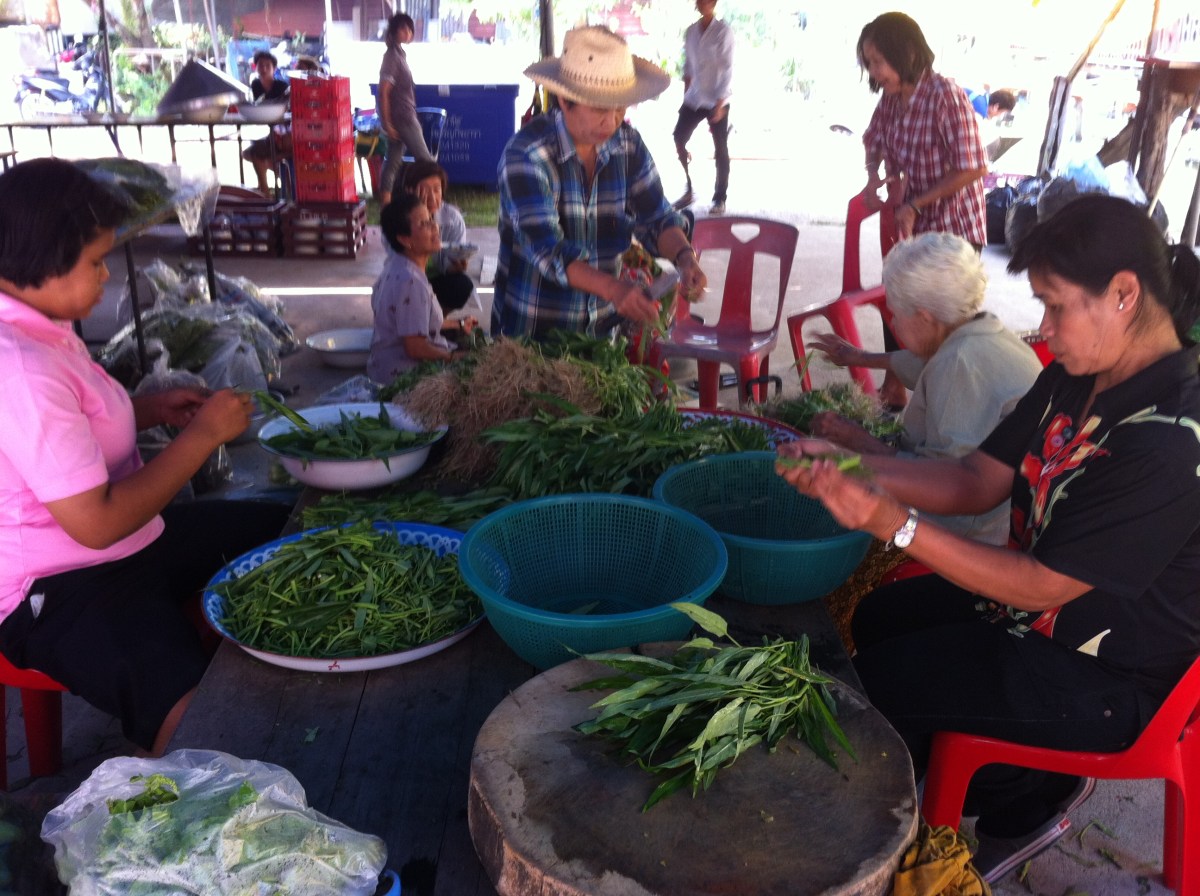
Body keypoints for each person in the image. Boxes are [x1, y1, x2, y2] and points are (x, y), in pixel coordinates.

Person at [776, 194, 1200, 882]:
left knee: (881, 687)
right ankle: (1003, 782)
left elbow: (1040, 585)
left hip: (1108, 674)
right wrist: (851, 466)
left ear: (1124, 295)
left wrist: (893, 523)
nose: (1044, 328)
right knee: (879, 619)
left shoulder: (1169, 441)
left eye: (1055, 306)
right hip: (1038, 617)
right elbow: (976, 479)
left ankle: (1015, 805)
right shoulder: (1076, 376)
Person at [0, 158, 291, 757]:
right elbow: (96, 522)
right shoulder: (20, 366)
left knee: (288, 528)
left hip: (131, 541)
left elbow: (70, 432)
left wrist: (149, 409)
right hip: (58, 585)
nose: (107, 275)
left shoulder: (43, 324)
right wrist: (201, 437)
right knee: (197, 723)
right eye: (95, 262)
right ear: (40, 259)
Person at [807, 232, 1042, 544]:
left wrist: (858, 441)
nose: (892, 322)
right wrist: (858, 357)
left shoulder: (959, 363)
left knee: (832, 508)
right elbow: (927, 365)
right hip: (1004, 507)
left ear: (924, 317)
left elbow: (947, 484)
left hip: (972, 534)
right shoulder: (986, 333)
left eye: (894, 314)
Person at [495, 25, 707, 340]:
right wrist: (614, 289)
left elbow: (657, 217)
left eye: (620, 108)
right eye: (599, 109)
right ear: (565, 100)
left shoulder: (628, 145)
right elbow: (549, 252)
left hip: (602, 336)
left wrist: (685, 258)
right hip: (532, 338)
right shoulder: (526, 156)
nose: (611, 121)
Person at [857, 12, 990, 409]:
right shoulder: (891, 100)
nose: (874, 72)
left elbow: (973, 166)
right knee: (899, 300)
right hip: (915, 227)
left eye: (878, 61)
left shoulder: (945, 95)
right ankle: (895, 386)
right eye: (869, 63)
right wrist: (874, 177)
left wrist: (916, 202)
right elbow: (872, 140)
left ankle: (952, 402)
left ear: (907, 52)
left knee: (946, 323)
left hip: (954, 229)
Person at [368, 193, 478, 384]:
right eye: (424, 224)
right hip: (402, 378)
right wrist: (453, 358)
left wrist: (459, 324)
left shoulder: (398, 266)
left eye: (431, 220)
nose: (435, 227)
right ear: (405, 239)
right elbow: (415, 347)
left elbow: (415, 324)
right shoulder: (411, 282)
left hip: (382, 367)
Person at [402, 160, 485, 323]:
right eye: (424, 190)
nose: (432, 197)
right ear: (409, 191)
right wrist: (418, 214)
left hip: (436, 280)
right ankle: (415, 321)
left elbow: (449, 262)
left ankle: (438, 320)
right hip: (407, 278)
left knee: (461, 285)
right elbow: (399, 260)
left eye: (437, 189)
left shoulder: (453, 218)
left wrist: (455, 267)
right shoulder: (398, 217)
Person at [672, 0, 734, 216]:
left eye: (706, 0)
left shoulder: (723, 32)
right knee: (679, 137)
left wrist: (720, 104)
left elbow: (727, 68)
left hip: (717, 97)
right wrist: (685, 96)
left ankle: (719, 198)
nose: (702, 3)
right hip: (695, 97)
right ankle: (689, 189)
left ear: (714, 3)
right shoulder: (691, 32)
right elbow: (688, 67)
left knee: (720, 148)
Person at [241, 54, 320, 197]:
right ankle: (269, 189)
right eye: (297, 69)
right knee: (250, 153)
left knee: (256, 154)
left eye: (301, 70)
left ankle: (267, 192)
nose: (297, 73)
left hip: (300, 140)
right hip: (281, 135)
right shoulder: (285, 90)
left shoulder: (311, 94)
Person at [378, 12, 433, 208]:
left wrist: (389, 123)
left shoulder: (399, 54)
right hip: (403, 117)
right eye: (403, 28)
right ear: (394, 31)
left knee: (392, 163)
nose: (408, 32)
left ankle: (386, 207)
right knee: (427, 163)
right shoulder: (392, 57)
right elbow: (383, 92)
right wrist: (387, 123)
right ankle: (431, 204)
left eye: (410, 29)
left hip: (402, 116)